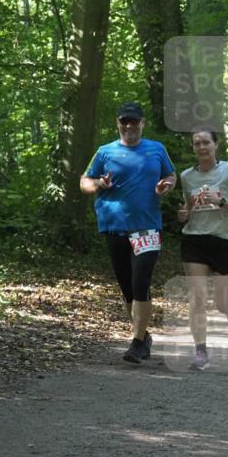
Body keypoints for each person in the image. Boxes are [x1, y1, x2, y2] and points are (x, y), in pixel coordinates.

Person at [81, 102, 176, 363]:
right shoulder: (104, 152)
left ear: (142, 123)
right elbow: (84, 182)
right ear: (118, 123)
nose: (129, 126)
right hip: (114, 227)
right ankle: (143, 336)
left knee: (140, 283)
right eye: (125, 121)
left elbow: (171, 175)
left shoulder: (156, 149)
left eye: (134, 121)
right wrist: (99, 183)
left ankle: (136, 343)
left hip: (147, 227)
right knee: (126, 288)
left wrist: (166, 185)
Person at [176, 130, 228, 370]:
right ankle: (201, 352)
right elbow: (188, 208)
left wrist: (220, 202)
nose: (201, 147)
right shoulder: (186, 176)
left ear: (216, 144)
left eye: (206, 142)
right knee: (197, 297)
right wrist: (184, 214)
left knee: (221, 302)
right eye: (196, 143)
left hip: (226, 240)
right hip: (195, 241)